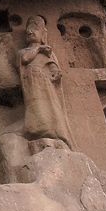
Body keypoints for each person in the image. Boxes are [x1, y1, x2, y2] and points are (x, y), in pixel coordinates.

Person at [19, 16, 73, 149]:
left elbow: (53, 66)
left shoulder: (48, 53)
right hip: (33, 83)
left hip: (46, 83)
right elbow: (25, 59)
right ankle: (38, 131)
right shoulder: (24, 52)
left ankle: (56, 132)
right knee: (37, 107)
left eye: (35, 29)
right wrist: (38, 49)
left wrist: (56, 74)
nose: (30, 32)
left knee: (52, 107)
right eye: (28, 30)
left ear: (43, 33)